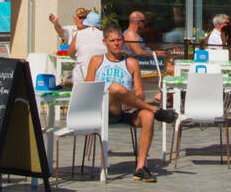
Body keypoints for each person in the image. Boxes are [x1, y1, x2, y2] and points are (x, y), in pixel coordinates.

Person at [83, 26, 177, 182]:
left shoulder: (131, 63)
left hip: (125, 110)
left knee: (146, 116)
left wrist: (132, 100)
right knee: (114, 87)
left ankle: (140, 167)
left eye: (119, 40)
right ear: (105, 42)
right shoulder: (97, 61)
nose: (116, 44)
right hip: (104, 109)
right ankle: (156, 110)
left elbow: (140, 93)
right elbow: (88, 87)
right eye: (112, 41)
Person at [67, 11, 106, 78]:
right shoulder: (105, 35)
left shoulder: (79, 34)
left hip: (82, 73)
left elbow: (70, 53)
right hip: (100, 71)